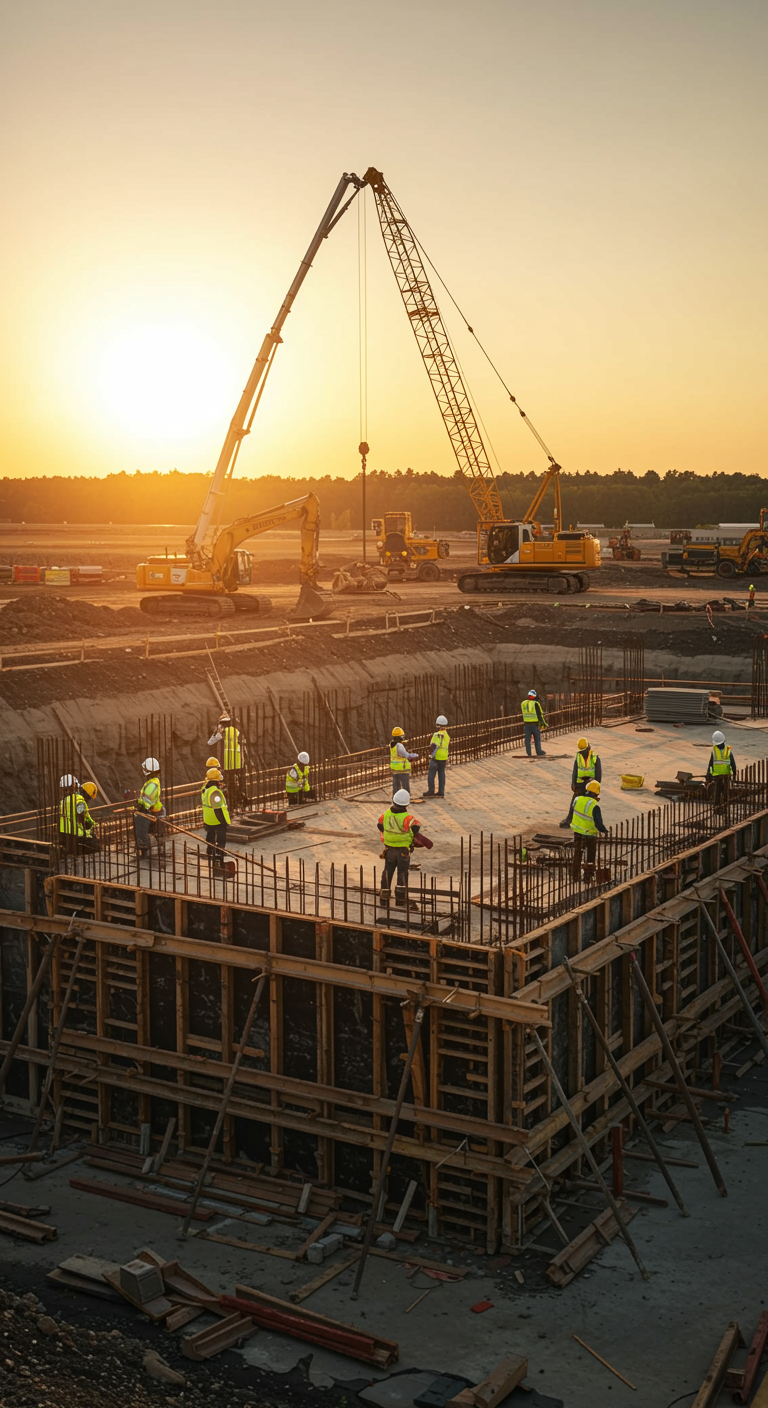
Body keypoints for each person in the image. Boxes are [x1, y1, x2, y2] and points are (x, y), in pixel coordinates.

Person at [377, 789, 421, 906]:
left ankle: (384, 899)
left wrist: (389, 835)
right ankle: (400, 900)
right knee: (402, 873)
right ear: (407, 804)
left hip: (389, 849)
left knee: (387, 872)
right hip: (403, 850)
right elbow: (416, 828)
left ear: (394, 801)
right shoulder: (408, 818)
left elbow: (379, 825)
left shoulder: (385, 815)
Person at [560, 738, 603, 827]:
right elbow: (575, 770)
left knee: (589, 805)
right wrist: (573, 783)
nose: (584, 753)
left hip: (590, 785)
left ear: (588, 747)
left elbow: (598, 773)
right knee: (574, 802)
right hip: (580, 784)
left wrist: (596, 786)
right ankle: (569, 820)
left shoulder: (595, 758)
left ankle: (587, 823)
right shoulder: (579, 757)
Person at [208, 712, 247, 810]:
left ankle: (234, 804)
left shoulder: (222, 733)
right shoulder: (236, 731)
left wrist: (216, 731)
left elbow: (210, 742)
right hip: (239, 762)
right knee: (239, 783)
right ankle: (242, 799)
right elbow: (243, 742)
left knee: (230, 785)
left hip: (229, 764)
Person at [570, 779, 608, 879]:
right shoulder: (594, 805)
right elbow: (598, 822)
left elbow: (573, 811)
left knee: (577, 854)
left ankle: (575, 875)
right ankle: (588, 876)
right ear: (597, 793)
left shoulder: (577, 799)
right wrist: (604, 831)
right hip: (590, 834)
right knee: (590, 856)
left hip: (577, 831)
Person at [58, 775, 100, 854]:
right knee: (96, 847)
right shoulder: (79, 799)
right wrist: (89, 824)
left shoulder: (62, 802)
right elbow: (80, 812)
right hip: (76, 836)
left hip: (63, 835)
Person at [134, 757, 164, 857]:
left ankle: (143, 849)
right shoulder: (152, 782)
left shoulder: (152, 784)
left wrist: (140, 806)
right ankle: (144, 847)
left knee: (141, 827)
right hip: (152, 810)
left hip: (150, 812)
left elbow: (147, 801)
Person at [201, 766, 231, 868]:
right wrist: (224, 821)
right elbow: (217, 808)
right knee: (221, 836)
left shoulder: (206, 789)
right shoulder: (215, 792)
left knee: (210, 834)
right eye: (220, 781)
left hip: (208, 818)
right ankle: (220, 852)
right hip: (216, 819)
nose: (221, 783)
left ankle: (210, 850)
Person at [422, 716, 450, 799]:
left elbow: (433, 745)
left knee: (431, 774)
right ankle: (441, 792)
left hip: (435, 758)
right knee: (441, 774)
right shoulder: (447, 736)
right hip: (444, 758)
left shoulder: (436, 735)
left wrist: (431, 754)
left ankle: (431, 790)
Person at [707, 729, 736, 805]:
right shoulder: (728, 750)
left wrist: (709, 774)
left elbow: (711, 764)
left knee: (717, 791)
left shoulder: (714, 751)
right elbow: (733, 763)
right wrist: (734, 773)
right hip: (726, 774)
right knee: (726, 791)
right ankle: (725, 804)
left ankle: (716, 805)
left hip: (717, 775)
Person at [390, 726, 418, 796]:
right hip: (403, 769)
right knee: (405, 787)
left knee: (396, 787)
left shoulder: (392, 745)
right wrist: (415, 755)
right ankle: (405, 798)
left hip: (395, 769)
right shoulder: (399, 745)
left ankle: (395, 799)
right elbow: (406, 755)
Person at [521, 690, 547, 757]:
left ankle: (528, 753)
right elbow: (539, 715)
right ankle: (539, 751)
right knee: (537, 738)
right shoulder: (535, 703)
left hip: (526, 724)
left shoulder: (523, 703)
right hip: (534, 724)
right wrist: (543, 723)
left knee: (527, 739)